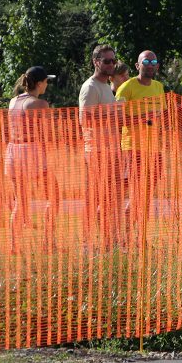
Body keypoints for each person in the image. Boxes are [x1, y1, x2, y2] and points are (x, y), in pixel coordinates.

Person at [5, 65, 59, 253]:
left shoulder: (13, 101)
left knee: (21, 201)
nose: (46, 85)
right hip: (31, 151)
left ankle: (14, 246)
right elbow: (47, 132)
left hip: (13, 152)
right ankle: (48, 243)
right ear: (38, 83)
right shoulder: (40, 104)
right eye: (45, 82)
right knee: (54, 196)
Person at [114, 50, 166, 239]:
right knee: (137, 191)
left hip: (154, 148)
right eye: (146, 61)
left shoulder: (159, 87)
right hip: (133, 146)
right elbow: (117, 119)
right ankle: (125, 236)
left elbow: (161, 115)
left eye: (154, 61)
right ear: (138, 66)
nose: (150, 64)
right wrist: (146, 119)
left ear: (157, 66)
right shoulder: (126, 88)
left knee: (146, 194)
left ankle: (139, 236)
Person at [78, 45, 124, 248]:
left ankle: (108, 239)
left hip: (111, 150)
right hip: (97, 151)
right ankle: (87, 242)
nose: (111, 64)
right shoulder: (90, 87)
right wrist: (113, 115)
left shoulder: (106, 86)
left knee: (110, 198)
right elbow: (84, 119)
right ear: (96, 62)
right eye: (107, 61)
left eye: (113, 61)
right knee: (95, 197)